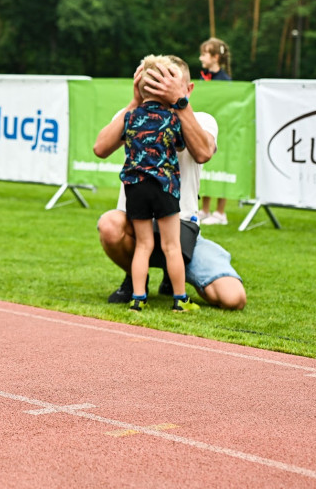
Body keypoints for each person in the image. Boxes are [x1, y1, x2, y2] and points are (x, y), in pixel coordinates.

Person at [93, 56, 246, 311]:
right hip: (136, 222)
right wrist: (135, 101)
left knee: (233, 298)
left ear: (188, 88)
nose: (163, 89)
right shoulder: (131, 114)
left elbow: (202, 153)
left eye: (171, 83)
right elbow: (100, 148)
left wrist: (180, 103)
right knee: (109, 225)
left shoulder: (201, 119)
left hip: (181, 226)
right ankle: (134, 281)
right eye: (157, 82)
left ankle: (172, 277)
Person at [118, 55, 197, 313]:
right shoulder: (173, 119)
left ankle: (138, 298)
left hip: (135, 187)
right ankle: (180, 299)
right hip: (164, 186)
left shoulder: (129, 118)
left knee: (143, 245)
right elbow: (180, 145)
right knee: (170, 245)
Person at [196, 37, 233, 225]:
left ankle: (220, 213)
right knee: (205, 169)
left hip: (221, 130)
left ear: (215, 57)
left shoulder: (225, 81)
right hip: (204, 128)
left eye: (205, 53)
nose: (201, 57)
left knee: (221, 168)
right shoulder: (203, 78)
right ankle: (204, 210)